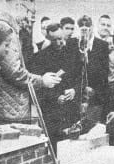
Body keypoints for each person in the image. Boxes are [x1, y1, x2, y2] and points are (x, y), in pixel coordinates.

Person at [0, 12, 61, 126]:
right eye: (28, 8)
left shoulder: (7, 29)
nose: (31, 17)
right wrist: (42, 81)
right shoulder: (8, 32)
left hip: (10, 106)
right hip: (11, 108)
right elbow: (14, 72)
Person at [31, 23, 80, 153]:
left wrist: (74, 90)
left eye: (61, 38)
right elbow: (39, 88)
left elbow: (80, 78)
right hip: (53, 113)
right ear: (48, 39)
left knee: (73, 145)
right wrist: (55, 97)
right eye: (55, 40)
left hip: (71, 109)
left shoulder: (72, 53)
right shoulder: (41, 57)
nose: (59, 43)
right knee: (56, 147)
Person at [77, 15, 109, 123]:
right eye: (81, 25)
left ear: (92, 26)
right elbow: (71, 71)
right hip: (77, 96)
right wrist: (81, 88)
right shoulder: (73, 44)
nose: (85, 28)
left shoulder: (102, 45)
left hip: (95, 97)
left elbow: (104, 73)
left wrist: (93, 89)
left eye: (88, 25)